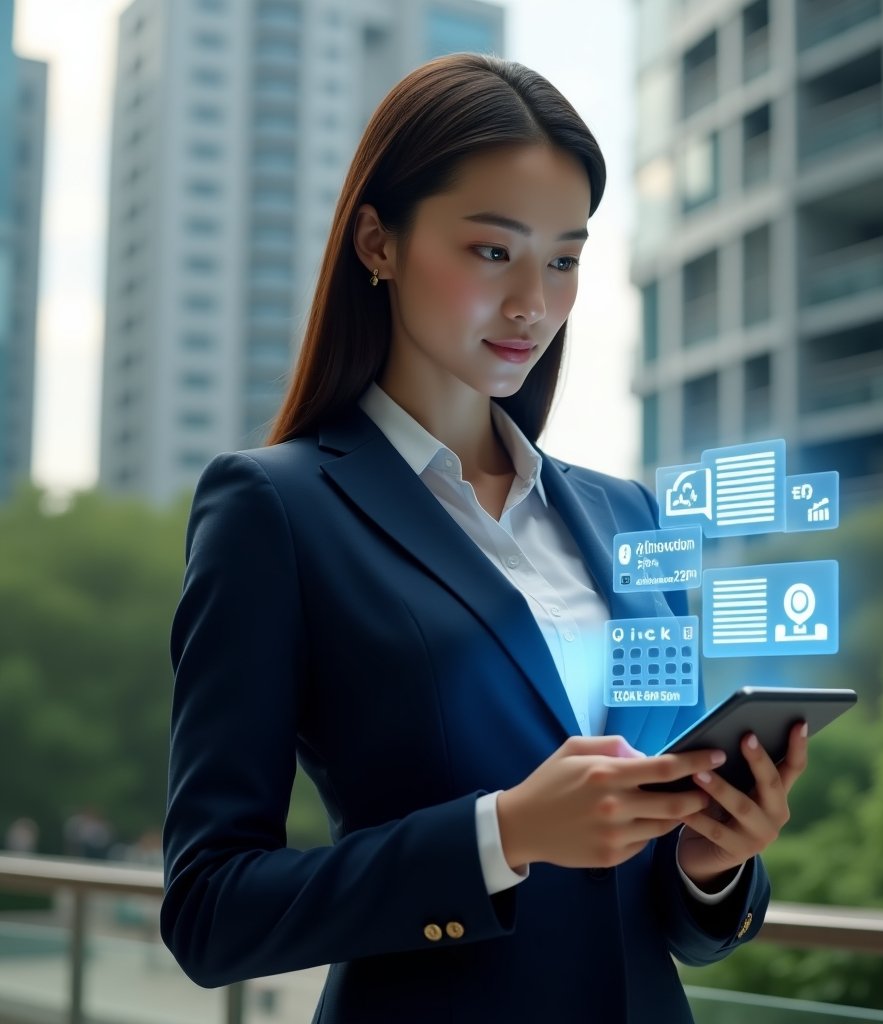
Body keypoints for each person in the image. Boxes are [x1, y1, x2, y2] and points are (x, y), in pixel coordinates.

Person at [160, 53, 808, 1024]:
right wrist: (500, 834)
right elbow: (210, 912)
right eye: (492, 251)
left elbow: (676, 920)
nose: (532, 304)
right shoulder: (274, 509)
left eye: (564, 259)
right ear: (377, 242)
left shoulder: (628, 517)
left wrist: (711, 862)